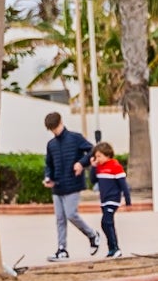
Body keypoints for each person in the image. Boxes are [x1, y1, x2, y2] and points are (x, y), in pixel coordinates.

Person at [41, 110, 102, 261]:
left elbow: (93, 150)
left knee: (71, 214)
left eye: (55, 127)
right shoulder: (51, 144)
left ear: (61, 123)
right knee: (60, 219)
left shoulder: (75, 138)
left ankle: (93, 235)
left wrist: (81, 163)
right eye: (51, 129)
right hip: (57, 186)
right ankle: (62, 249)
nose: (54, 131)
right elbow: (48, 164)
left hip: (73, 184)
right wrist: (48, 177)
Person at [92, 139, 129, 257]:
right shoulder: (99, 167)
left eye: (99, 156)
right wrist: (93, 167)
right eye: (95, 156)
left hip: (113, 199)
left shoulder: (115, 166)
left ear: (107, 155)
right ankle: (112, 249)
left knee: (105, 222)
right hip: (104, 200)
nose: (97, 159)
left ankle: (116, 248)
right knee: (108, 224)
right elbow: (93, 181)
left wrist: (127, 200)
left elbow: (123, 185)